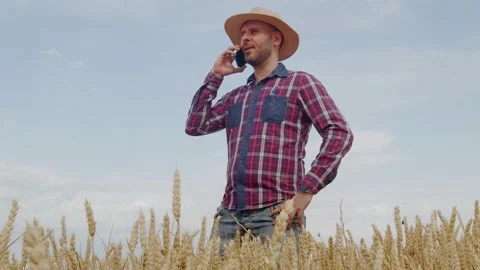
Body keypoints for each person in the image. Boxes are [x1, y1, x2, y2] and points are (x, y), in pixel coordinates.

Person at [184, 7, 354, 255]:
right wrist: (215, 76)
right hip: (228, 216)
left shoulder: (300, 83)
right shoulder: (235, 97)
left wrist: (307, 190)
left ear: (276, 39)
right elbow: (195, 125)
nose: (244, 39)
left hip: (276, 215)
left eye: (253, 31)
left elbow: (339, 132)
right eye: (242, 34)